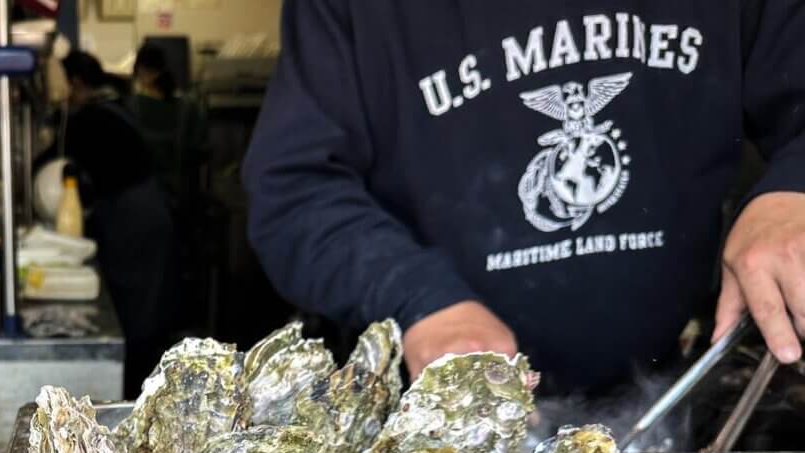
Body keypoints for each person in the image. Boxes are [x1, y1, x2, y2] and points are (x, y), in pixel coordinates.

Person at [244, 2, 805, 394]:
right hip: (429, 423)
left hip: (671, 384)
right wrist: (416, 300)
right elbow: (293, 187)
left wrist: (792, 188)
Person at [54, 51, 181, 394]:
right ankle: (142, 383)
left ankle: (139, 392)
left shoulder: (91, 117)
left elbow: (64, 166)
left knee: (136, 307)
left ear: (76, 82)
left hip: (134, 218)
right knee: (144, 306)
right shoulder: (115, 105)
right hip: (147, 209)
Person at [129, 43, 208, 213]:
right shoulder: (189, 106)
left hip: (146, 199)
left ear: (140, 70)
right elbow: (200, 150)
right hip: (183, 199)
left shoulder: (134, 106)